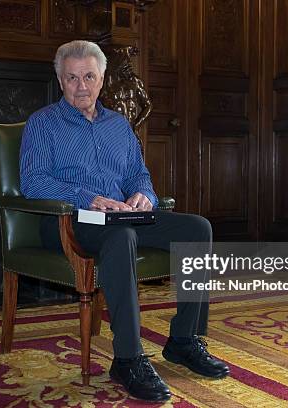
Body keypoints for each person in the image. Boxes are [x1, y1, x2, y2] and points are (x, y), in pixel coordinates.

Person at [19, 40, 229, 402]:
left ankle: (183, 339)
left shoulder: (118, 125)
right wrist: (89, 198)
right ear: (60, 80)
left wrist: (143, 195)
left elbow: (138, 174)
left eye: (89, 76)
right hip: (69, 220)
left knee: (197, 228)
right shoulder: (43, 124)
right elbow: (33, 181)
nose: (81, 86)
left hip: (122, 216)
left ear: (102, 79)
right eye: (72, 78)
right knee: (122, 237)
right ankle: (128, 358)